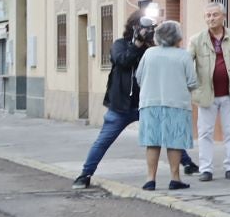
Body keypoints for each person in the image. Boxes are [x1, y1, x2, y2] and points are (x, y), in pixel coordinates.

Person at [72, 10, 153, 188]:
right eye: (143, 27)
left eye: (149, 27)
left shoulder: (152, 49)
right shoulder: (120, 44)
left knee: (162, 133)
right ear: (134, 27)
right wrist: (137, 44)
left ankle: (186, 164)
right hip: (120, 106)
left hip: (145, 104)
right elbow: (122, 60)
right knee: (103, 141)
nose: (146, 31)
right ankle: (85, 174)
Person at [189, 1, 230, 182]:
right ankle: (206, 169)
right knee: (205, 133)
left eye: (215, 15)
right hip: (206, 94)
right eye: (208, 16)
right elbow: (186, 61)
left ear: (223, 16)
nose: (211, 19)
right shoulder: (196, 40)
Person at [137, 20, 200, 190]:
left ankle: (150, 179)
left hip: (150, 102)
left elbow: (139, 76)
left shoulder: (149, 53)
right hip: (177, 103)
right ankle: (175, 178)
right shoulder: (184, 55)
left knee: (152, 141)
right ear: (177, 37)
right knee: (175, 141)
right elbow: (193, 82)